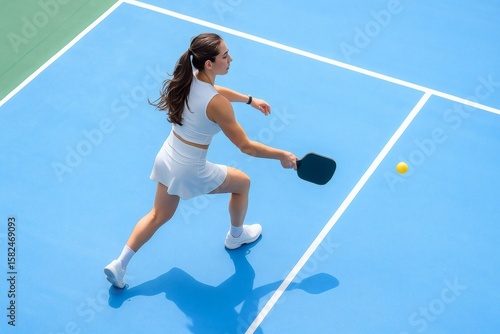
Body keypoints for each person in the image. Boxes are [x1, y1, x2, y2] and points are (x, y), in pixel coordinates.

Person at [104, 33, 297, 289]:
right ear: (209, 63)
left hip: (167, 156)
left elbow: (216, 91)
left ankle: (120, 264)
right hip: (191, 168)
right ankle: (236, 236)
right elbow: (245, 146)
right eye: (225, 56)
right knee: (243, 183)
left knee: (157, 215)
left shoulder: (188, 80)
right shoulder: (217, 104)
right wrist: (282, 155)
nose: (231, 59)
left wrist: (250, 100)